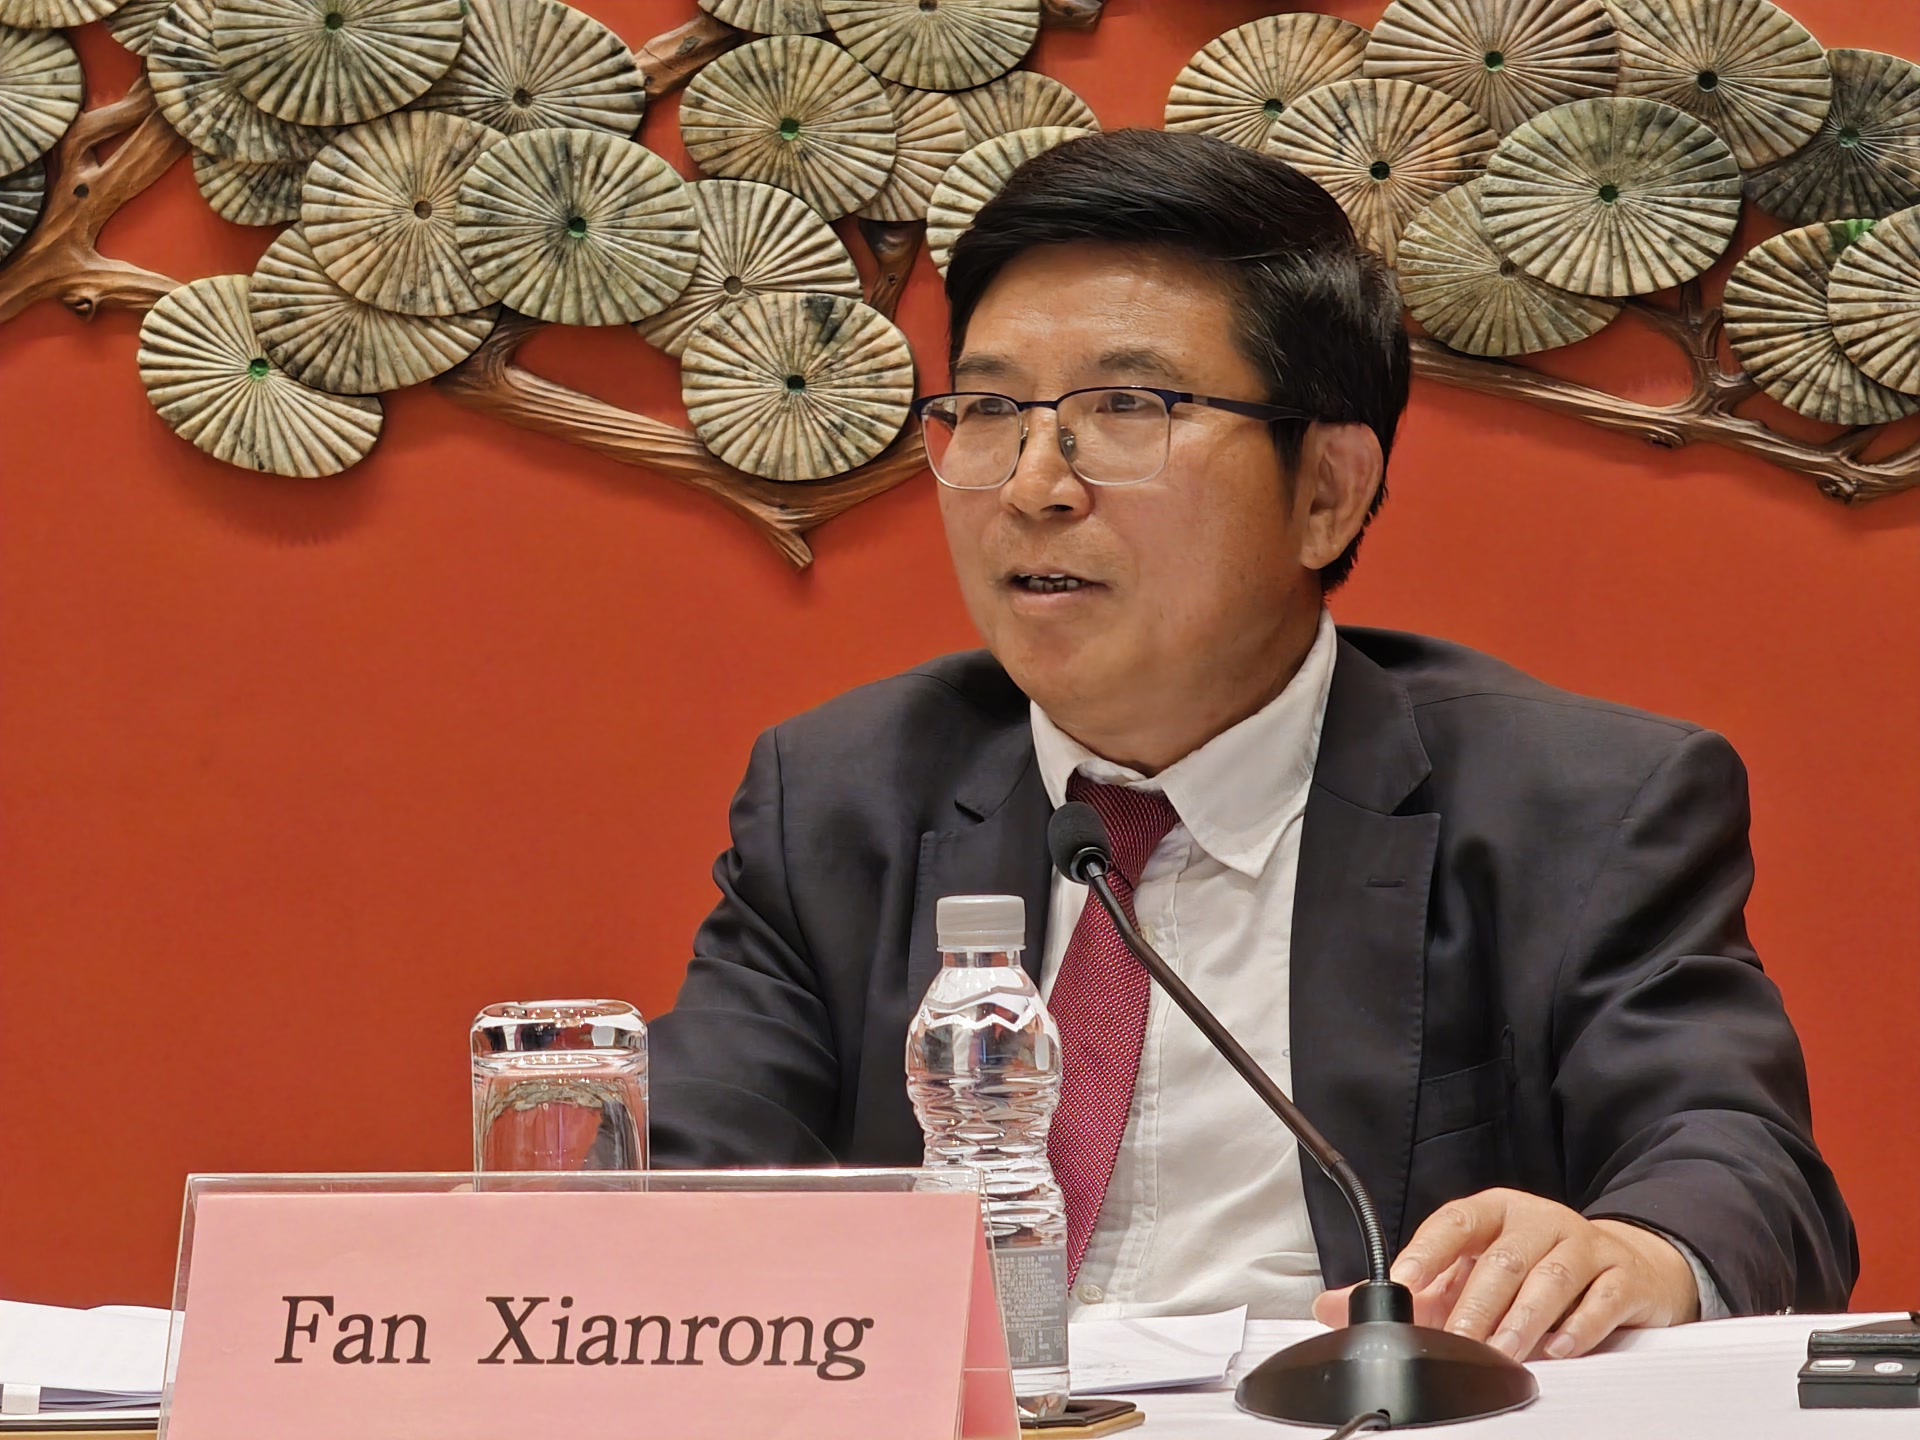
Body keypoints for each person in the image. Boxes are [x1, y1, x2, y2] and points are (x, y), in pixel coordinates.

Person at [647, 128, 1855, 1361]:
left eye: (1126, 408)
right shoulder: (842, 797)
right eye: (992, 410)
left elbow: (1740, 1170)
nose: (1033, 484)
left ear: (1326, 492)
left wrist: (1635, 1253)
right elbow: (678, 1182)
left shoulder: (1578, 807)